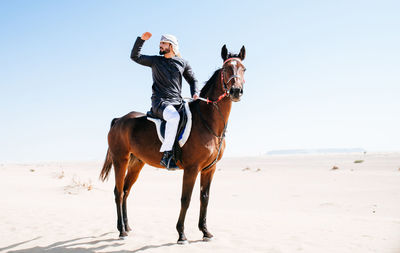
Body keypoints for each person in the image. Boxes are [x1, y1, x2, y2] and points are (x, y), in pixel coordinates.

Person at [130, 32, 199, 169]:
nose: (160, 46)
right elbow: (135, 57)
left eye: (163, 43)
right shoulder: (156, 61)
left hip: (178, 102)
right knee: (174, 118)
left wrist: (195, 93)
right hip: (159, 102)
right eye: (160, 43)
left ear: (171, 46)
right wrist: (141, 41)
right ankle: (168, 155)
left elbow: (193, 80)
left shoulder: (183, 63)